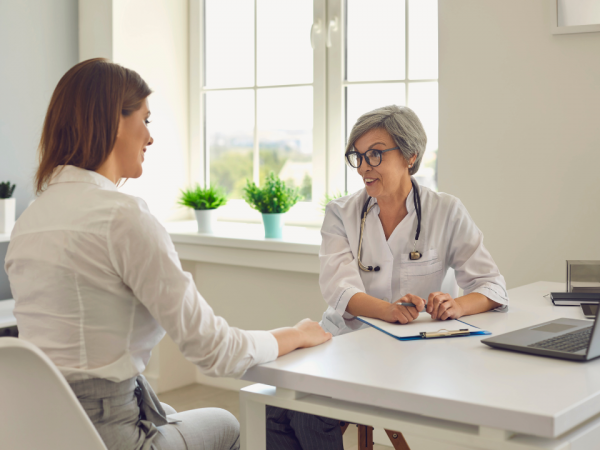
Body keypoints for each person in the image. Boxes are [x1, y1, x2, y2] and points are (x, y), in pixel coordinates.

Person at [4, 58, 331, 450]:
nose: (149, 137)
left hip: (40, 432)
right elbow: (214, 351)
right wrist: (294, 334)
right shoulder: (122, 217)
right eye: (145, 119)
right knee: (227, 423)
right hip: (111, 435)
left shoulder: (30, 220)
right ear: (114, 121)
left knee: (177, 412)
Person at [266, 105, 508, 449]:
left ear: (410, 155)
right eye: (358, 156)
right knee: (274, 408)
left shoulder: (446, 211)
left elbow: (492, 285)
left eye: (376, 154)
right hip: (344, 339)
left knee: (308, 412)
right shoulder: (341, 212)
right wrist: (387, 310)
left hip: (408, 351)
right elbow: (339, 289)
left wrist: (455, 305)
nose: (364, 166)